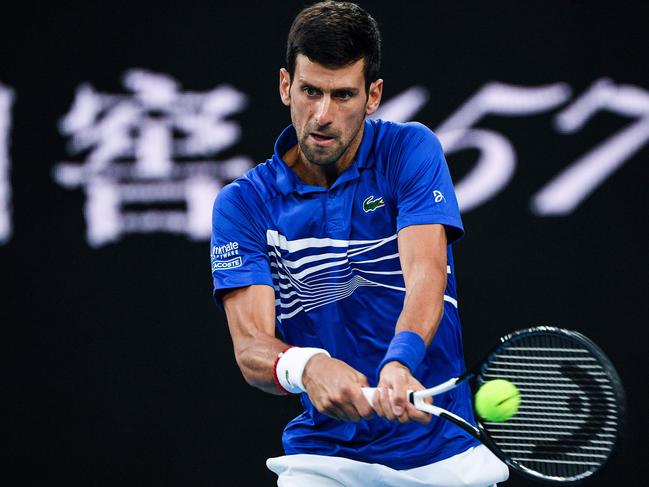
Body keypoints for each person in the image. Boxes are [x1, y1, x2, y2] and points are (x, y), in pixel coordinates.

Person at [210, 2, 509, 486]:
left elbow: (427, 275)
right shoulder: (243, 205)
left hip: (445, 458)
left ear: (373, 96)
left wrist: (400, 361)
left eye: (343, 95)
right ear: (286, 85)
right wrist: (306, 366)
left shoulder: (409, 151)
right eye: (310, 91)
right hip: (324, 463)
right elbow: (250, 348)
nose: (323, 115)